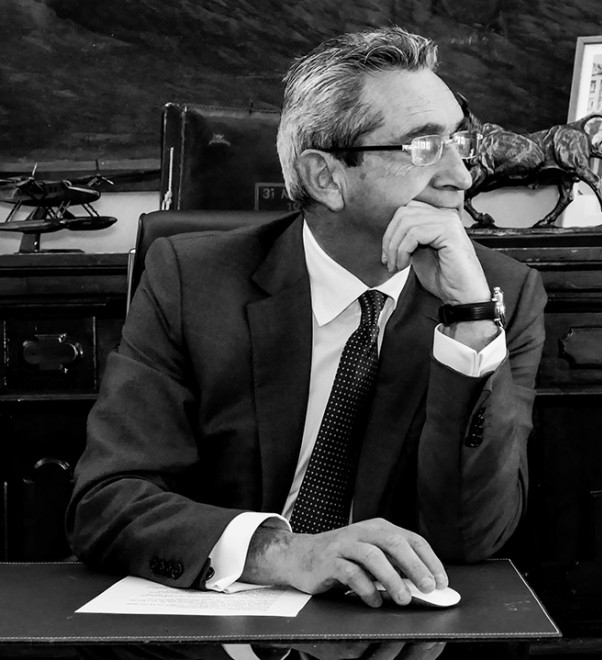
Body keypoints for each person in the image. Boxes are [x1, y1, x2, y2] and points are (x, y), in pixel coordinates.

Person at [66, 27, 547, 609]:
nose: (462, 177)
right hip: (219, 618)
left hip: (392, 626)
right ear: (326, 176)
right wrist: (285, 554)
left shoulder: (500, 296)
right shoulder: (192, 280)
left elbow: (474, 536)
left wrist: (469, 322)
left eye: (458, 142)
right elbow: (107, 502)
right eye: (423, 147)